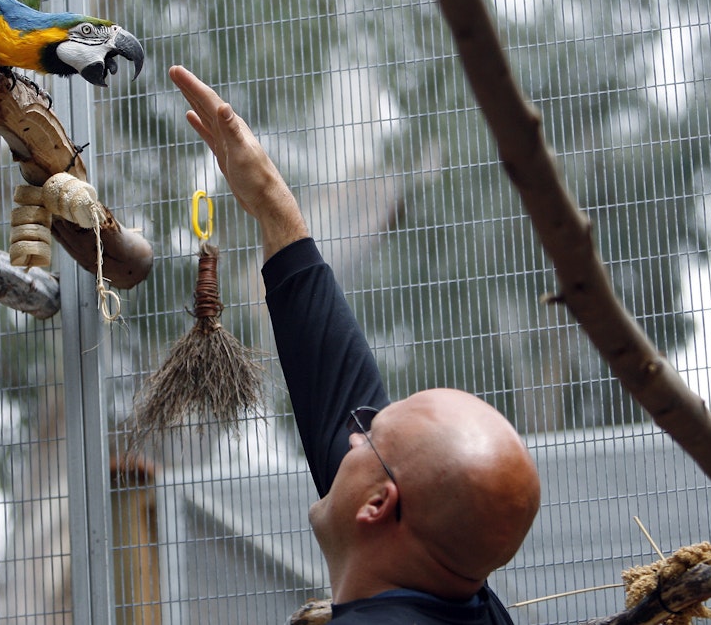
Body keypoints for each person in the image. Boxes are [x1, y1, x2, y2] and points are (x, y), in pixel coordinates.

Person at [169, 65, 542, 623]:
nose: (351, 430)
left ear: (378, 503)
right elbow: (337, 379)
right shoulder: (462, 594)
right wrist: (272, 201)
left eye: (367, 435)